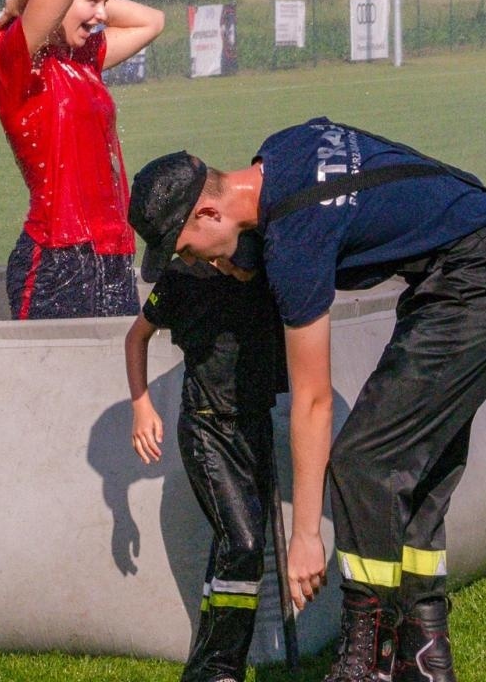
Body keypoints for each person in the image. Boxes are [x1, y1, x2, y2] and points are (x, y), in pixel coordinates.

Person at [129, 118, 486, 682]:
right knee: (414, 471)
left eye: (185, 250)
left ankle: (363, 659)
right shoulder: (281, 149)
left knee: (365, 461)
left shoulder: (296, 244)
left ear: (207, 214)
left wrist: (305, 536)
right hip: (480, 262)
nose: (193, 263)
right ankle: (425, 658)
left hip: (481, 281)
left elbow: (313, 400)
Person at [0, 0, 164, 319]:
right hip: (57, 260)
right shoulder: (18, 62)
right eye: (93, 2)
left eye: (105, 3)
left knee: (110, 377)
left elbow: (153, 20)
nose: (103, 15)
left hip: (114, 253)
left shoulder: (85, 57)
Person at [125, 255, 287, 682]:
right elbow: (137, 336)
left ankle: (203, 668)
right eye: (239, 266)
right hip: (205, 428)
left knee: (231, 549)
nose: (243, 273)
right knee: (245, 544)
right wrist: (141, 406)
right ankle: (221, 668)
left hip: (256, 425)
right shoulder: (183, 274)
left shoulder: (270, 269)